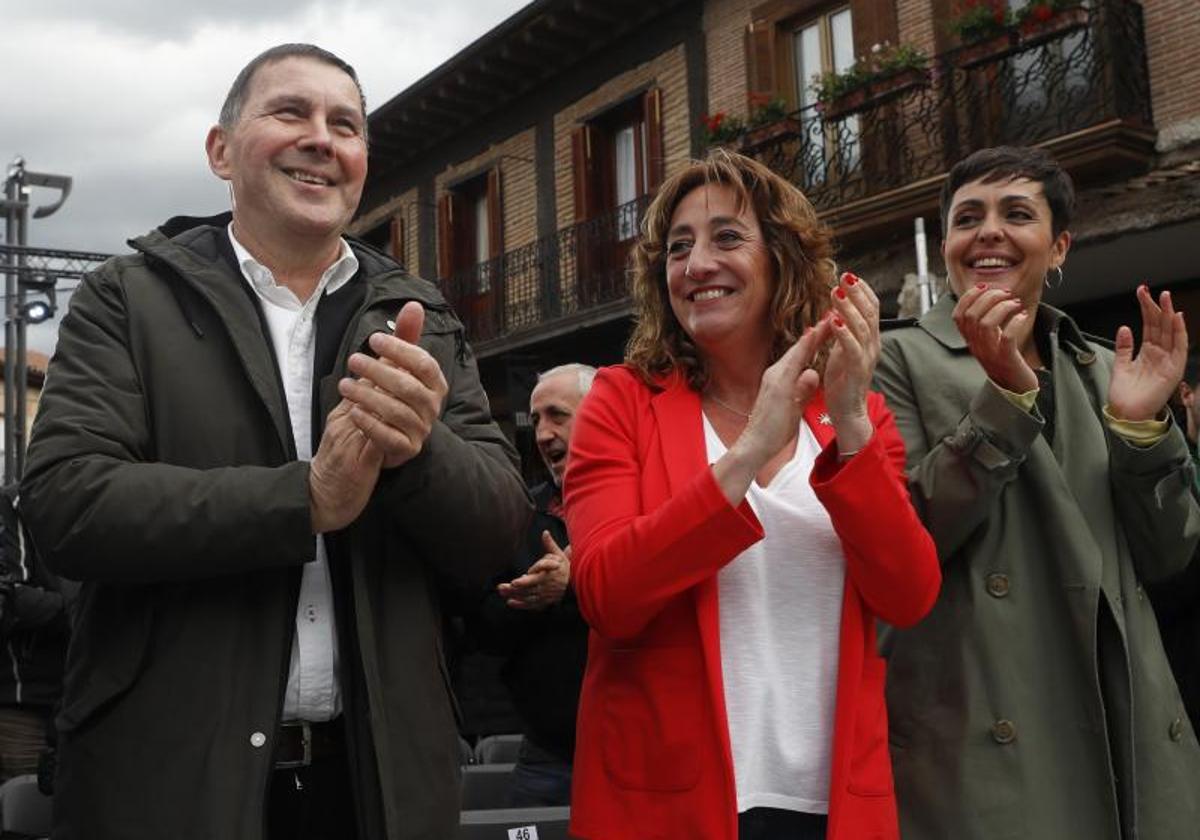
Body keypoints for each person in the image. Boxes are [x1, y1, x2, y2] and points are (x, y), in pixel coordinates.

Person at [19, 43, 530, 840]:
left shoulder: (417, 313)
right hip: (168, 781)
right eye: (290, 111)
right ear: (221, 151)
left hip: (379, 782)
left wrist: (418, 451)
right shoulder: (125, 298)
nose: (322, 138)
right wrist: (306, 499)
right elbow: (65, 502)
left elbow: (500, 530)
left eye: (346, 125)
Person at [562, 150, 940, 840]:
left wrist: (851, 421)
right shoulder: (621, 401)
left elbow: (909, 594)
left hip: (830, 806)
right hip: (666, 806)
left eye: (727, 238)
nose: (697, 264)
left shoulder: (858, 413)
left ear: (783, 260)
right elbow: (606, 596)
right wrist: (748, 452)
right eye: (678, 248)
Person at [873, 145, 1200, 839]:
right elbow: (901, 541)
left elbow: (1168, 555)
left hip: (1130, 726)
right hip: (987, 734)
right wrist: (1002, 402)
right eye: (968, 218)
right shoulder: (891, 359)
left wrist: (1144, 430)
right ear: (950, 248)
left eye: (1016, 213)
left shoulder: (1107, 368)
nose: (988, 231)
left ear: (1058, 248)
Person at [471, 363, 594, 806]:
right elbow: (484, 628)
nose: (542, 434)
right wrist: (529, 599)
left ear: (601, 415)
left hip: (639, 751)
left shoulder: (643, 501)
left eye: (557, 415)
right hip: (548, 758)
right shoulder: (518, 515)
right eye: (536, 419)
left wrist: (574, 584)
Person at [0, 485, 72, 787]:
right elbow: (14, 600)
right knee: (28, 811)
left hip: (89, 699)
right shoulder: (17, 502)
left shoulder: (112, 503)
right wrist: (81, 610)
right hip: (30, 702)